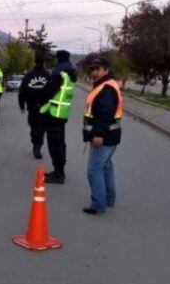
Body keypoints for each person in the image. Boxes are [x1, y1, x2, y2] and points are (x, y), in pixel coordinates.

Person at [81, 57, 123, 215]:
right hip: (112, 135)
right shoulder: (105, 85)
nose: (94, 72)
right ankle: (109, 199)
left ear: (106, 70)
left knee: (94, 170)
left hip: (103, 137)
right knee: (105, 167)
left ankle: (98, 204)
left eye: (97, 69)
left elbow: (104, 114)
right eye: (92, 69)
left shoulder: (105, 89)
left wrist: (98, 133)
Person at [39, 50, 77, 184]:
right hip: (63, 113)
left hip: (54, 113)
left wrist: (40, 103)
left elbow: (47, 92)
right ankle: (59, 171)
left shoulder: (58, 73)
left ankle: (58, 173)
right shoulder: (71, 73)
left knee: (54, 144)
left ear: (58, 59)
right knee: (61, 143)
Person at [18, 54, 50, 159]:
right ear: (43, 63)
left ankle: (35, 144)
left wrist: (21, 105)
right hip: (44, 107)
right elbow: (53, 91)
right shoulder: (47, 76)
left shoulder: (28, 75)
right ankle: (38, 146)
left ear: (35, 63)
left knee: (34, 126)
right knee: (41, 128)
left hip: (31, 107)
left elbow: (22, 91)